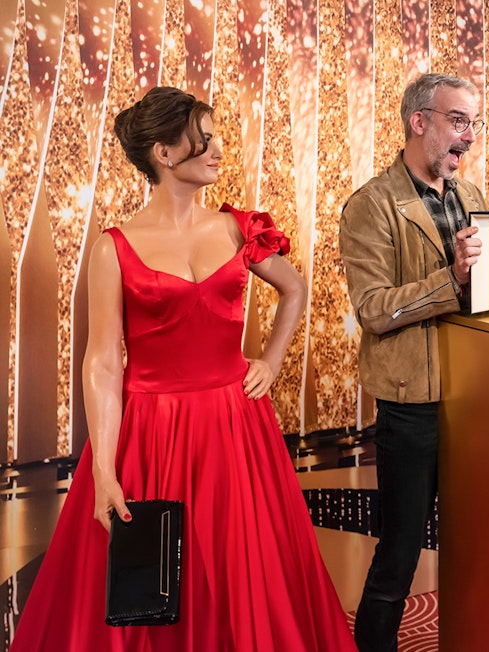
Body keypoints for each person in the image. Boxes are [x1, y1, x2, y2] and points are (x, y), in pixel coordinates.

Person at [10, 86, 357, 651]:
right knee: (152, 573)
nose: (219, 149)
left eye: (217, 136)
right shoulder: (113, 248)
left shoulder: (237, 228)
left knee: (241, 565)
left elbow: (294, 289)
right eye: (206, 136)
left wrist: (269, 361)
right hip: (152, 430)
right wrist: (101, 471)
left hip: (234, 424)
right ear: (163, 152)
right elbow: (101, 362)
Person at [339, 73, 486, 652]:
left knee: (475, 539)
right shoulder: (372, 206)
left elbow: (488, 290)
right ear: (418, 121)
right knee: (401, 550)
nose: (468, 136)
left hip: (479, 394)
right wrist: (450, 278)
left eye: (473, 123)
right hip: (411, 404)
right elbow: (373, 310)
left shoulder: (471, 198)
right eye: (458, 121)